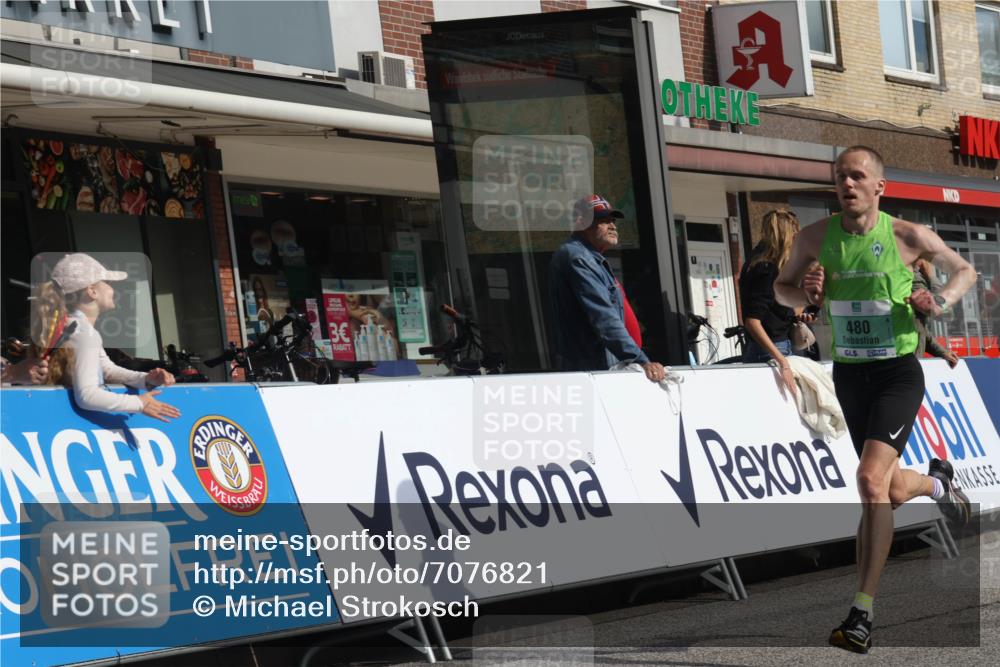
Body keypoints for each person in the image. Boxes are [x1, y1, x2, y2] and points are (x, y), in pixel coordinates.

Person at [774, 146, 977, 654]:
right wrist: (808, 295)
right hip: (850, 374)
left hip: (897, 374)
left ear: (879, 187)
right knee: (883, 490)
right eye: (841, 176)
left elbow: (965, 271)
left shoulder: (906, 235)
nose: (848, 183)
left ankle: (861, 614)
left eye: (858, 176)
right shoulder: (816, 238)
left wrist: (939, 301)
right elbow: (781, 290)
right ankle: (936, 481)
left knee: (868, 480)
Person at [32, 253, 180, 422]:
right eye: (108, 283)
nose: (112, 289)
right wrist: (139, 403)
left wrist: (146, 379)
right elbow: (87, 396)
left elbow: (106, 369)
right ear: (92, 291)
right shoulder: (83, 333)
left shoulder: (73, 327)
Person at [549, 194, 666, 383]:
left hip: (605, 365)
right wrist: (641, 360)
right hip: (594, 370)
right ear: (581, 223)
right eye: (603, 221)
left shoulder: (592, 257)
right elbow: (603, 317)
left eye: (612, 221)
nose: (613, 226)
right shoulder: (578, 258)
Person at [738, 209, 805, 395]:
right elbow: (752, 321)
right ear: (786, 234)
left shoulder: (757, 262)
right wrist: (782, 362)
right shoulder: (767, 269)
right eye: (794, 232)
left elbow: (776, 310)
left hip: (771, 347)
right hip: (771, 351)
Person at [911, 258, 960, 368]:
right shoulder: (911, 276)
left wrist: (942, 351)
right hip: (907, 364)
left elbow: (918, 327)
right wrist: (931, 276)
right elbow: (946, 311)